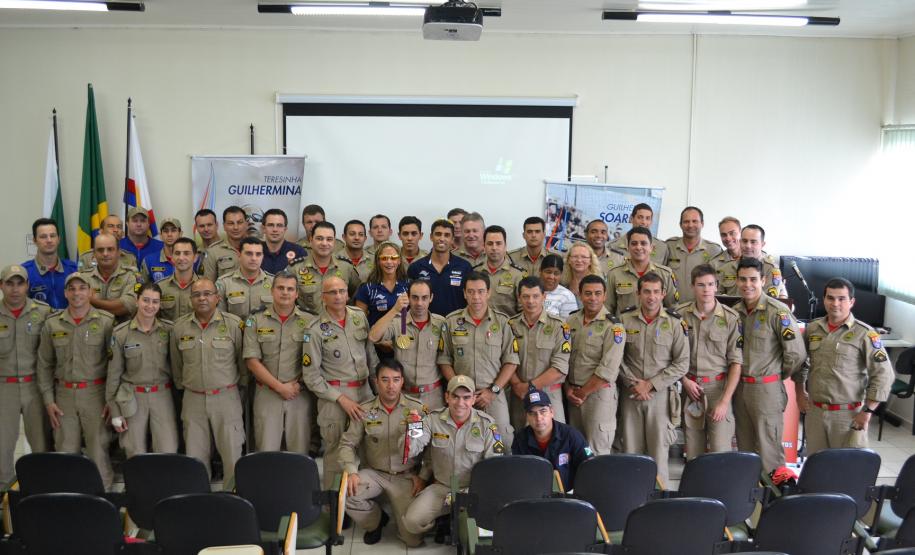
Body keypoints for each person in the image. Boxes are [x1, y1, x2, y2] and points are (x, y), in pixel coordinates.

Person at [793, 277, 894, 454]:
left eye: (841, 299)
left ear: (852, 302)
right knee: (817, 468)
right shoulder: (813, 329)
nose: (835, 304)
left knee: (846, 471)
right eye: (830, 298)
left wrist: (868, 411)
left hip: (848, 416)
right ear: (824, 300)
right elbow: (801, 363)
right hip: (815, 413)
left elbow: (884, 374)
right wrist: (800, 392)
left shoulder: (865, 334)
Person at [37, 273, 116, 488]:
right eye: (72, 289)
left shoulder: (106, 322)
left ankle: (104, 498)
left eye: (82, 288)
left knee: (98, 448)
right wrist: (48, 401)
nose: (77, 293)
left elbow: (114, 365)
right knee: (65, 449)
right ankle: (68, 500)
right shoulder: (53, 324)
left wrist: (111, 400)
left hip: (95, 393)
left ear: (91, 292)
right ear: (65, 293)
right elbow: (44, 364)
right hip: (63, 395)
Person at [339, 359, 428, 547]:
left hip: (406, 476)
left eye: (396, 379)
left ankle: (400, 518)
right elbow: (347, 444)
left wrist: (423, 476)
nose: (391, 386)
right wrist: (352, 471)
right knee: (347, 492)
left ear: (403, 381)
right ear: (376, 381)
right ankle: (376, 521)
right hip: (375, 473)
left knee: (412, 540)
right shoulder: (364, 409)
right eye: (385, 379)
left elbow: (429, 449)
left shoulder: (417, 409)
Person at [301, 276, 379, 489]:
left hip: (365, 394)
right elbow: (311, 376)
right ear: (323, 297)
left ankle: (362, 503)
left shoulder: (359, 317)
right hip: (334, 398)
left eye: (342, 291)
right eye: (332, 293)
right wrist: (341, 399)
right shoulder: (315, 329)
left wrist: (378, 391)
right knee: (336, 454)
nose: (338, 296)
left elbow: (370, 356)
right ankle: (335, 507)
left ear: (347, 294)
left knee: (368, 449)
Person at [402, 375, 503, 538]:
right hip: (442, 487)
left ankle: (454, 520)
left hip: (473, 491)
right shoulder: (432, 420)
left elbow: (495, 468)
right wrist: (414, 426)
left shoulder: (487, 424)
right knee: (411, 522)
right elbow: (413, 450)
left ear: (473, 399)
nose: (460, 403)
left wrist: (474, 491)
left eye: (466, 397)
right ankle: (444, 519)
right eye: (455, 396)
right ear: (447, 397)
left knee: (482, 533)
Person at [731, 257, 806, 473]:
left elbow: (796, 353)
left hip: (766, 390)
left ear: (763, 280)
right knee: (745, 451)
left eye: (753, 279)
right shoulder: (734, 312)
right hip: (740, 389)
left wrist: (775, 375)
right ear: (736, 281)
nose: (748, 285)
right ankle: (751, 498)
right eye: (743, 279)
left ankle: (779, 499)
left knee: (770, 451)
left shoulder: (778, 312)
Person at [170, 278, 246, 483]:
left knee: (232, 455)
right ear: (190, 299)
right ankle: (199, 503)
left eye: (207, 294)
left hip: (226, 397)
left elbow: (242, 365)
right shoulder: (179, 328)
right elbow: (177, 367)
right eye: (196, 294)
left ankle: (233, 502)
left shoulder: (233, 325)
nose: (202, 298)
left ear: (217, 298)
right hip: (193, 399)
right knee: (196, 458)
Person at [618, 272, 689, 485]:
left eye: (656, 292)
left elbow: (682, 363)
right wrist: (633, 383)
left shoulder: (675, 323)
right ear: (638, 293)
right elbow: (617, 358)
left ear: (663, 294)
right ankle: (631, 499)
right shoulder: (624, 319)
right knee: (631, 452)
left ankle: (659, 502)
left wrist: (650, 384)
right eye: (646, 292)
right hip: (631, 394)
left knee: (659, 454)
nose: (651, 297)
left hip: (660, 396)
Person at [437, 271, 519, 447]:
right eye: (471, 292)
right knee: (461, 441)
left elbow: (511, 361)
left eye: (481, 291)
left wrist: (493, 390)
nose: (476, 297)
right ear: (464, 293)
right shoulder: (451, 321)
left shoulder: (503, 322)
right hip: (461, 396)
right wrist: (461, 391)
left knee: (503, 438)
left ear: (489, 293)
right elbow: (444, 360)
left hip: (492, 394)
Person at [242, 270, 317, 453]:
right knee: (267, 451)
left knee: (299, 451)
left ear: (297, 293)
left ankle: (298, 483)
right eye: (281, 288)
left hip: (299, 393)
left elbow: (315, 359)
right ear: (272, 291)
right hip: (267, 393)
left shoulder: (310, 320)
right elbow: (252, 361)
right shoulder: (256, 319)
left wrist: (297, 384)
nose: (285, 293)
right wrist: (279, 387)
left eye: (290, 289)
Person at [106, 281, 179, 458]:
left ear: (160, 304)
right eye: (146, 300)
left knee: (167, 449)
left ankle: (164, 486)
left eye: (155, 301)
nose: (150, 306)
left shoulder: (169, 330)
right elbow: (113, 375)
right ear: (137, 301)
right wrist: (115, 411)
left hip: (162, 395)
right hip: (132, 397)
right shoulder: (121, 333)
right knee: (134, 451)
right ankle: (137, 486)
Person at [678, 264, 742, 460]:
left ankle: (719, 492)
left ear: (717, 286)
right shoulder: (679, 315)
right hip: (690, 389)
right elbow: (670, 355)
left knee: (720, 451)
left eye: (710, 284)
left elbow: (736, 363)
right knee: (693, 452)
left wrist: (724, 402)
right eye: (700, 285)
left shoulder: (731, 318)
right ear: (692, 286)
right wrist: (684, 381)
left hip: (718, 388)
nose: (706, 289)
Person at [0, 265, 52, 491]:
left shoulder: (43, 312)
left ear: (28, 286)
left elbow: (51, 355)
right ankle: (4, 494)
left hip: (35, 386)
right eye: (9, 283)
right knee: (3, 446)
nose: (15, 289)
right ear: (1, 286)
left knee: (40, 443)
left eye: (20, 283)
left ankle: (40, 490)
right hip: (4, 388)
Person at [565, 274, 625, 455]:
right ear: (580, 295)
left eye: (598, 293)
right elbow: (562, 358)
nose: (593, 298)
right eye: (588, 293)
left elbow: (608, 369)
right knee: (576, 450)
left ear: (605, 296)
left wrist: (582, 393)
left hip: (598, 397)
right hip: (572, 395)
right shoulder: (570, 321)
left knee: (597, 450)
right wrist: (568, 388)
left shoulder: (613, 327)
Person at [370, 279, 446, 410]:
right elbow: (373, 336)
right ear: (408, 298)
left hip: (433, 396)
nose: (419, 303)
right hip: (405, 396)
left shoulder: (441, 323)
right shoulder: (399, 322)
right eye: (415, 298)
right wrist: (395, 309)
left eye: (424, 298)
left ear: (431, 298)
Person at [507, 277, 570, 431]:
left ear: (544, 297)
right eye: (526, 296)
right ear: (519, 298)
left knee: (554, 442)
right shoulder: (510, 325)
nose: (531, 301)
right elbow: (505, 359)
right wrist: (516, 385)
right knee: (520, 443)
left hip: (549, 395)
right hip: (518, 396)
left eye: (535, 296)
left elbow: (560, 367)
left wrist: (529, 387)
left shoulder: (559, 326)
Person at [511, 387, 592, 490]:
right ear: (526, 416)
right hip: (535, 495)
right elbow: (519, 474)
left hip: (568, 496)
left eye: (543, 411)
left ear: (552, 412)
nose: (538, 418)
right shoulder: (520, 440)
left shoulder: (571, 435)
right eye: (532, 413)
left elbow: (588, 466)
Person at [288, 222, 360, 314]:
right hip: (306, 325)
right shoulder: (295, 268)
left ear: (334, 242)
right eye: (319, 238)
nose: (324, 243)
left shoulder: (346, 267)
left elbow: (356, 295)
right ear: (311, 240)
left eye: (329, 239)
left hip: (337, 325)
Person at [605, 227, 679, 315]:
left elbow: (672, 308)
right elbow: (608, 308)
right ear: (627, 247)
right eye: (634, 243)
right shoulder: (614, 274)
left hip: (655, 327)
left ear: (651, 248)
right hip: (624, 327)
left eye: (643, 243)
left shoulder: (665, 274)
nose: (639, 247)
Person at [407, 218, 472, 317]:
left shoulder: (464, 267)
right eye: (438, 234)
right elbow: (407, 303)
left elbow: (470, 300)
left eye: (447, 235)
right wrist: (404, 329)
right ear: (431, 237)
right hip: (425, 327)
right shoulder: (416, 268)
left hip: (457, 327)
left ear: (452, 239)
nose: (442, 238)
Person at [664, 207, 723, 302]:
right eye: (686, 221)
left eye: (695, 221)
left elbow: (720, 284)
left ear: (702, 224)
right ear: (680, 225)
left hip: (701, 310)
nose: (690, 225)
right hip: (673, 309)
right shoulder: (669, 246)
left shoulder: (714, 250)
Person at [81, 232, 139, 323]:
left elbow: (125, 307)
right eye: (100, 250)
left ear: (119, 252)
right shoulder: (83, 278)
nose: (105, 254)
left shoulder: (132, 276)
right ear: (94, 254)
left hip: (122, 333)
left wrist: (92, 301)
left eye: (110, 249)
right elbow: (79, 308)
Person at [716, 225, 787, 299]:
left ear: (762, 244)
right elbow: (717, 298)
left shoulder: (771, 269)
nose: (748, 246)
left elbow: (770, 301)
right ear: (740, 242)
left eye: (753, 242)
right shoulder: (726, 268)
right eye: (744, 241)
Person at [23, 217, 78, 309]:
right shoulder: (25, 272)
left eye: (52, 236)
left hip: (68, 322)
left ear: (59, 239)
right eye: (43, 237)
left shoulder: (73, 269)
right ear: (34, 241)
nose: (49, 240)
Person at [216, 237, 274, 318]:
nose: (254, 258)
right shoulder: (224, 283)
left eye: (258, 254)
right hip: (234, 330)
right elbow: (219, 316)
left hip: (265, 330)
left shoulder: (274, 282)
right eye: (249, 253)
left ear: (263, 257)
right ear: (239, 255)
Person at [473, 225, 524, 316]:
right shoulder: (474, 272)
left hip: (507, 328)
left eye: (498, 243)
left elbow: (523, 310)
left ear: (505, 246)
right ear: (484, 246)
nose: (494, 248)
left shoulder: (518, 275)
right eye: (490, 243)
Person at [354, 241, 408, 326]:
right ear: (378, 261)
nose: (389, 262)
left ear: (399, 261)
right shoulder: (367, 288)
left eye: (393, 258)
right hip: (377, 337)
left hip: (403, 337)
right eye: (384, 258)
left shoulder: (408, 285)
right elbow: (359, 322)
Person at [156, 237, 199, 322]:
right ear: (172, 257)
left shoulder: (205, 288)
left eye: (186, 253)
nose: (181, 258)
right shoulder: (159, 287)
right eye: (177, 253)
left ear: (195, 257)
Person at [202, 205, 247, 282]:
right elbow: (208, 285)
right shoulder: (213, 252)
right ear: (224, 226)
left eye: (239, 222)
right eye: (230, 223)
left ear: (246, 224)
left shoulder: (258, 248)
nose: (235, 227)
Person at [260, 208, 307, 275]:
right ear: (263, 228)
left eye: (279, 225)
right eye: (270, 225)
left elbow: (304, 280)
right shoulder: (255, 252)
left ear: (285, 229)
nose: (275, 229)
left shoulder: (298, 252)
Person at [140, 218, 184, 283]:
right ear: (160, 235)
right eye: (166, 231)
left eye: (173, 230)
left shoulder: (189, 259)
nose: (169, 234)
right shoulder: (149, 261)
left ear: (180, 234)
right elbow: (142, 288)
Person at [539, 254, 578, 319]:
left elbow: (569, 323)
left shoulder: (567, 296)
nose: (551, 277)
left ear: (561, 274)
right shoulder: (530, 289)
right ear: (540, 270)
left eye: (556, 273)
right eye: (548, 272)